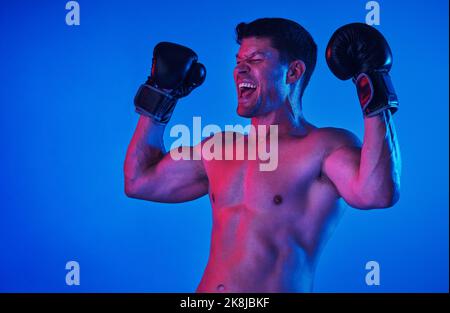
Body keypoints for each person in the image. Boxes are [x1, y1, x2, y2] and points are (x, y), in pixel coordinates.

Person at [124, 18, 401, 292]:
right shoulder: (219, 148)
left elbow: (376, 193)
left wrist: (374, 85)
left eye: (255, 60)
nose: (239, 70)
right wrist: (160, 93)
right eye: (238, 61)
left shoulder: (322, 147)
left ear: (293, 73)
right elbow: (138, 181)